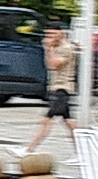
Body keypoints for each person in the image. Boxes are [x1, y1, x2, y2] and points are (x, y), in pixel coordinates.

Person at [24, 21, 77, 155]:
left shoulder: (66, 48)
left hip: (62, 88)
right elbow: (49, 65)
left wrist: (49, 49)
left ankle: (29, 149)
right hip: (56, 87)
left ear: (61, 33)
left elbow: (53, 65)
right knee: (70, 123)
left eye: (53, 34)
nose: (50, 37)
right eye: (48, 34)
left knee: (46, 120)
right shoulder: (57, 47)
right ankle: (81, 153)